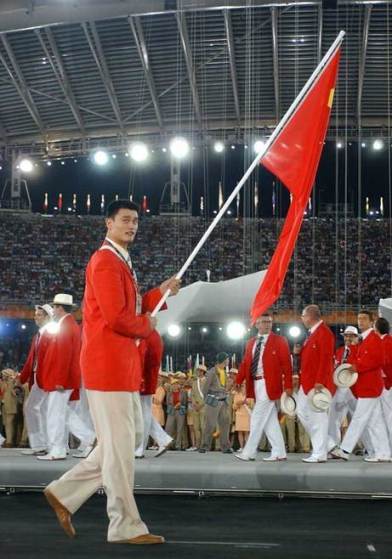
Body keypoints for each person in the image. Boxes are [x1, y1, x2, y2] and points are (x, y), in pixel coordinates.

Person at [43, 199, 180, 545]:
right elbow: (118, 317)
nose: (132, 226)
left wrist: (160, 293)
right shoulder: (105, 261)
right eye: (125, 220)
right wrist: (147, 326)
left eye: (135, 221)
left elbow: (128, 307)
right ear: (108, 223)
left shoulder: (119, 260)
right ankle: (124, 525)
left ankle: (63, 492)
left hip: (119, 365)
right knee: (120, 450)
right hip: (109, 364)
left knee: (122, 443)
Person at [331, 310, 391, 462]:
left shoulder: (374, 338)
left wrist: (358, 366)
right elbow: (362, 357)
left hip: (370, 386)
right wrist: (356, 351)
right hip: (366, 386)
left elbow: (379, 360)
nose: (360, 321)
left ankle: (345, 450)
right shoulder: (363, 339)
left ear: (372, 322)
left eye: (364, 319)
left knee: (359, 418)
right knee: (374, 422)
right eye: (359, 318)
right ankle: (383, 453)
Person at [235, 312, 292, 462]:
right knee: (269, 421)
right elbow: (245, 363)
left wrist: (289, 386)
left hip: (270, 383)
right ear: (256, 324)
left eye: (269, 321)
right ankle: (279, 452)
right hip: (255, 383)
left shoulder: (280, 341)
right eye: (263, 321)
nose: (267, 324)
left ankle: (249, 452)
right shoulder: (250, 343)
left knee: (257, 418)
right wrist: (238, 380)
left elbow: (287, 365)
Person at [37, 293, 82, 461]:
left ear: (60, 308)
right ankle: (87, 438)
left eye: (54, 307)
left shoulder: (66, 326)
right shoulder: (68, 324)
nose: (53, 310)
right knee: (62, 413)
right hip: (63, 378)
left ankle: (57, 449)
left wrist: (59, 380)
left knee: (55, 414)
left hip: (61, 379)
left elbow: (64, 356)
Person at [294, 305, 335, 463]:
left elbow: (326, 360)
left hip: (316, 384)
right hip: (306, 382)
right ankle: (328, 444)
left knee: (318, 418)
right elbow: (311, 358)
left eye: (303, 316)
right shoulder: (312, 333)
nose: (302, 319)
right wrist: (298, 354)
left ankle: (319, 453)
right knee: (301, 412)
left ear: (310, 316)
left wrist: (320, 381)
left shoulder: (324, 333)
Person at [18, 303, 54, 456]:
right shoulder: (38, 335)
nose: (35, 317)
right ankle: (40, 445)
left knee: (45, 411)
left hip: (47, 378)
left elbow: (53, 359)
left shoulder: (52, 333)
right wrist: (22, 377)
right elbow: (31, 360)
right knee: (35, 409)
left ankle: (45, 445)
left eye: (39, 315)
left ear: (48, 317)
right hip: (37, 378)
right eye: (35, 314)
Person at [135, 330, 172, 458]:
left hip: (142, 378)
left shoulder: (145, 333)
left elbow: (140, 356)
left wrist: (139, 378)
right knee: (143, 411)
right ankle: (162, 439)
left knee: (141, 413)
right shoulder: (154, 334)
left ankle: (139, 448)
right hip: (147, 377)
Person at [327, 326, 359, 453]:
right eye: (346, 335)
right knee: (333, 419)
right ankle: (335, 448)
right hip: (340, 389)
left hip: (355, 390)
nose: (348, 338)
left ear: (357, 337)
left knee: (361, 419)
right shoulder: (339, 351)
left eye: (351, 336)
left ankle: (373, 449)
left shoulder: (360, 350)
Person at [199, 352, 233, 454]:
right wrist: (207, 400)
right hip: (213, 400)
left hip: (223, 400)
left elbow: (223, 387)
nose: (228, 361)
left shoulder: (224, 372)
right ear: (223, 360)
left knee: (225, 423)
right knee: (210, 424)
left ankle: (225, 447)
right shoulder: (211, 372)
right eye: (227, 359)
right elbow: (205, 389)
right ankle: (204, 446)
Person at [376, 317, 392, 449]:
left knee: (388, 416)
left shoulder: (386, 342)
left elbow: (385, 362)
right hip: (385, 383)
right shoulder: (386, 341)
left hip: (386, 384)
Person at [191, 364, 207, 449]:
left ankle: (204, 444)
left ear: (203, 372)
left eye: (200, 371)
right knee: (196, 427)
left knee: (203, 426)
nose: (198, 372)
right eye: (198, 370)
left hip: (203, 406)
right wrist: (194, 403)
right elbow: (192, 394)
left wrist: (201, 405)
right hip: (195, 407)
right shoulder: (194, 382)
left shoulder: (207, 382)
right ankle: (198, 444)